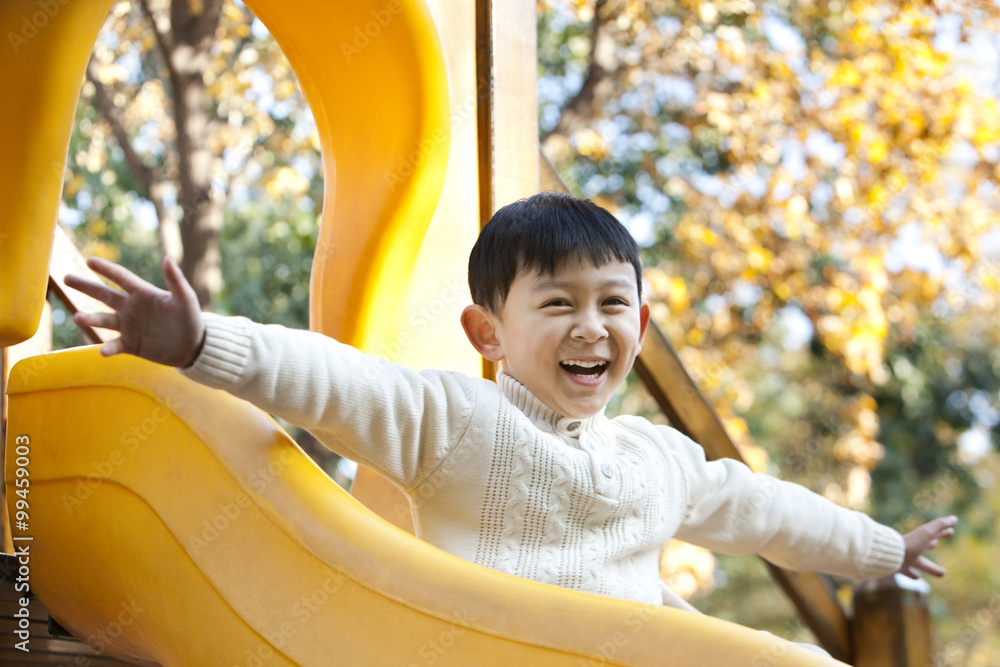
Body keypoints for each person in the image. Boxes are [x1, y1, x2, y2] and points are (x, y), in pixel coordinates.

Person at [66, 192, 956, 616]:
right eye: (558, 302)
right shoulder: (458, 425)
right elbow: (336, 379)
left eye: (612, 303)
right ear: (487, 332)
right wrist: (196, 342)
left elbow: (765, 512)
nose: (591, 324)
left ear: (640, 324)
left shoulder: (659, 460)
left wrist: (882, 547)